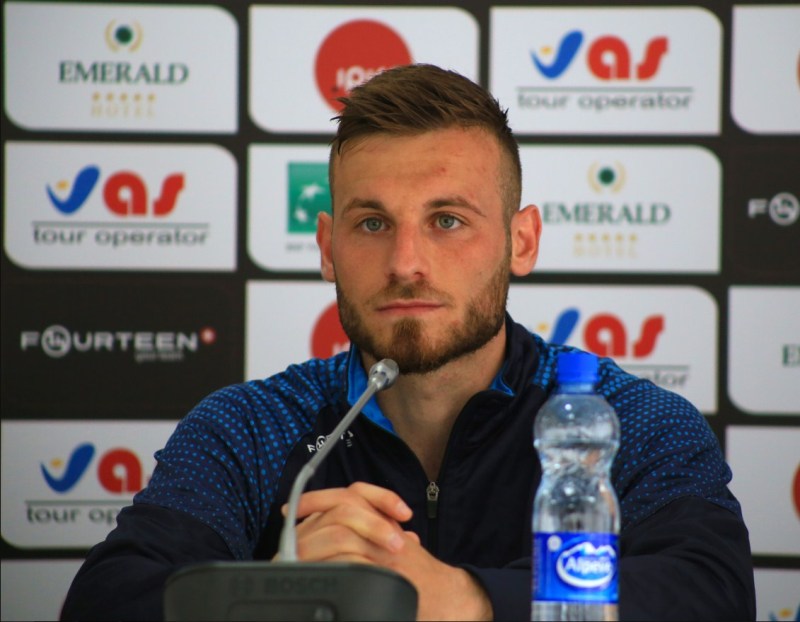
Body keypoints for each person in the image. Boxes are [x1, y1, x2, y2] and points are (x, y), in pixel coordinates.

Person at [61, 63, 755, 621]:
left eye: (447, 220)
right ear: (327, 247)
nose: (405, 264)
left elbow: (713, 592)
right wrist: (271, 593)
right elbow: (104, 599)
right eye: (372, 224)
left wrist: (469, 600)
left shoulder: (627, 419)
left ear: (522, 241)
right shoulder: (249, 427)